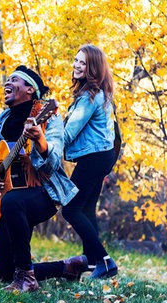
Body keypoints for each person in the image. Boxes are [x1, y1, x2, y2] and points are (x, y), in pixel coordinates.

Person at [0, 65, 85, 292]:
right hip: (10, 200)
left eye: (14, 80)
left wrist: (40, 141)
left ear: (30, 89)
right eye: (6, 80)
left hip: (43, 194)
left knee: (12, 201)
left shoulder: (48, 117)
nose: (7, 83)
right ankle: (67, 267)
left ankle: (27, 280)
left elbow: (55, 160)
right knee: (5, 275)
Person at [62, 44, 118, 279]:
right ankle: (94, 263)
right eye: (76, 60)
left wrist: (44, 144)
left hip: (94, 158)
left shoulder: (89, 97)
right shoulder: (100, 92)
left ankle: (105, 261)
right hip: (103, 155)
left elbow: (68, 133)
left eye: (83, 62)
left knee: (70, 209)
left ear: (92, 67)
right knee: (86, 208)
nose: (76, 65)